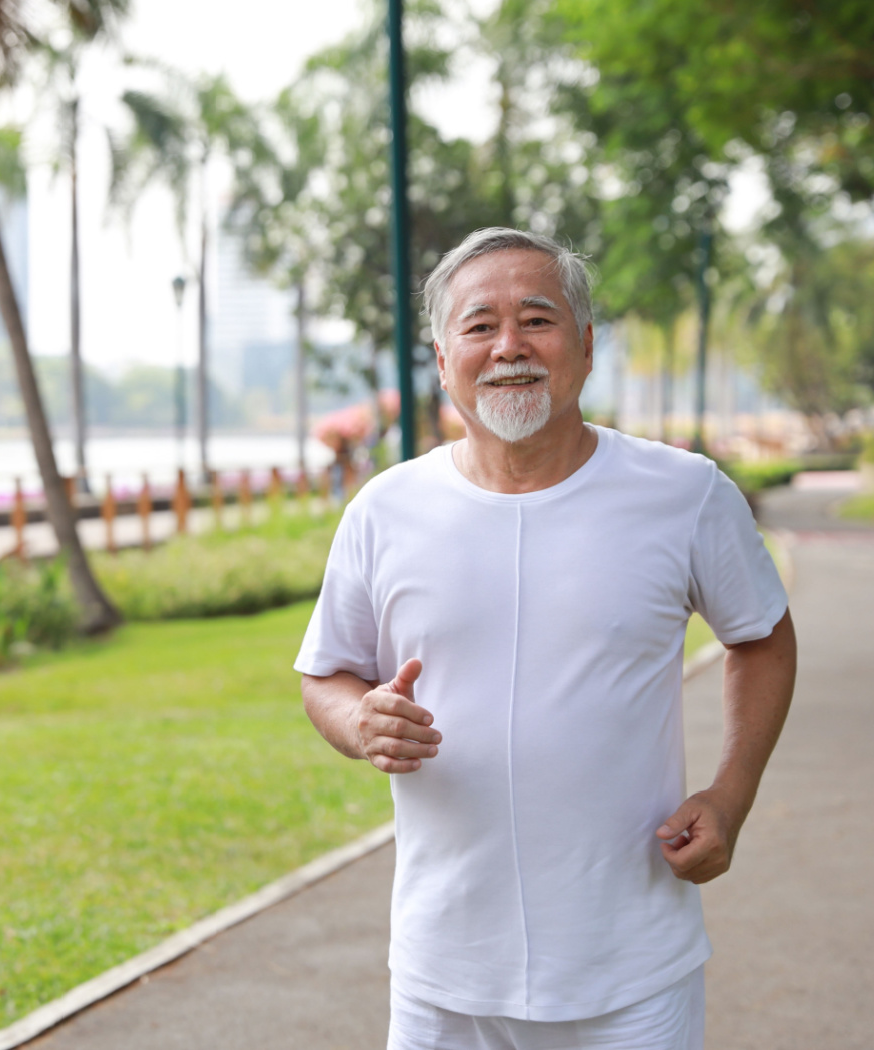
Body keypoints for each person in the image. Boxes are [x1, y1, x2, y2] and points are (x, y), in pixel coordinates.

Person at [295, 227, 796, 1050]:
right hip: (444, 972)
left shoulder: (684, 494)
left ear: (586, 346)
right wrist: (358, 722)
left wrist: (730, 795)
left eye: (538, 319)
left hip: (632, 967)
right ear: (442, 353)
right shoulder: (384, 512)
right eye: (479, 325)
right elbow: (329, 674)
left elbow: (763, 638)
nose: (509, 347)